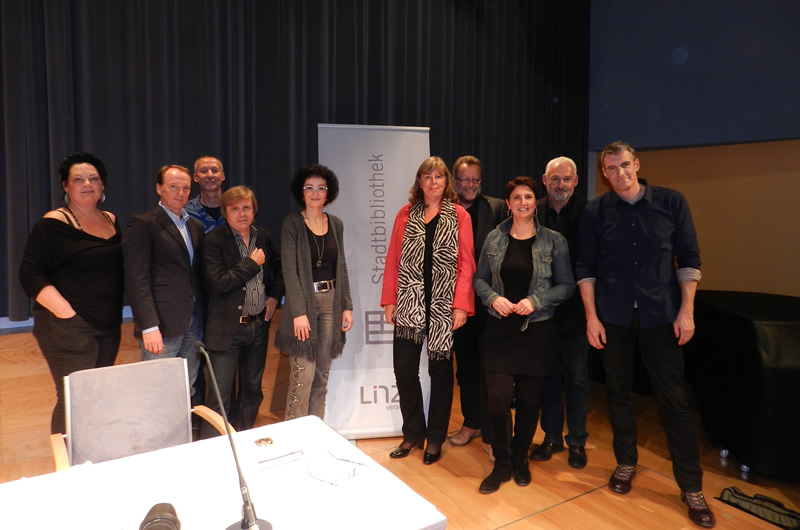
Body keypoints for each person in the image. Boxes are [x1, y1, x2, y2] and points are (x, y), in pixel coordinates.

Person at [576, 141, 715, 528]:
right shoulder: (595, 212)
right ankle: (625, 462)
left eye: (624, 165)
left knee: (674, 401)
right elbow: (585, 266)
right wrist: (591, 318)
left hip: (661, 316)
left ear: (637, 164)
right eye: (611, 168)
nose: (619, 173)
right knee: (617, 393)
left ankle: (691, 487)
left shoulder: (671, 202)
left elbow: (689, 259)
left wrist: (687, 311)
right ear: (604, 174)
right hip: (614, 317)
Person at [474, 176, 574, 493]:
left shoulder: (554, 241)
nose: (523, 203)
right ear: (508, 203)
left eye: (528, 197)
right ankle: (502, 463)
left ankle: (520, 459)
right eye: (516, 197)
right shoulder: (494, 238)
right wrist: (493, 298)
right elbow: (479, 280)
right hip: (499, 330)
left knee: (530, 400)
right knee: (498, 398)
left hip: (537, 331)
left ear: (535, 202)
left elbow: (567, 286)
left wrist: (537, 301)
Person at [19, 153, 124, 434]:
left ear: (103, 185)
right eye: (78, 179)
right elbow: (30, 274)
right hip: (68, 328)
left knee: (95, 397)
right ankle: (66, 458)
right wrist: (66, 312)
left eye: (93, 178)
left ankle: (90, 452)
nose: (87, 184)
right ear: (65, 186)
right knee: (73, 399)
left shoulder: (111, 219)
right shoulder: (53, 224)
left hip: (108, 326)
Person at [381, 156, 475, 465]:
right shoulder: (405, 214)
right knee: (404, 370)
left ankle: (435, 437)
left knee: (441, 374)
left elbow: (466, 265)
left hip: (444, 307)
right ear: (419, 182)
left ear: (446, 182)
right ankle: (412, 433)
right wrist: (390, 299)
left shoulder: (459, 215)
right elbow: (393, 259)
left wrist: (461, 305)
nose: (434, 182)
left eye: (439, 176)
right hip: (409, 302)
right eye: (428, 176)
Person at [201, 186, 283, 436]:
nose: (242, 213)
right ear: (225, 213)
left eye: (246, 207)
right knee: (219, 397)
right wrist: (251, 264)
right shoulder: (214, 241)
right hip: (226, 329)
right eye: (234, 208)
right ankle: (215, 448)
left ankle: (245, 440)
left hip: (257, 327)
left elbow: (280, 269)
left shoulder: (263, 237)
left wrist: (274, 295)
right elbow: (219, 283)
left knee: (252, 391)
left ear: (254, 210)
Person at [274, 164, 353, 420]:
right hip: (303, 305)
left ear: (328, 193)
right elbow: (289, 271)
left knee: (321, 375)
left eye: (321, 188)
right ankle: (294, 434)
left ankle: (316, 432)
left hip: (331, 302)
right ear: (302, 192)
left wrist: (347, 305)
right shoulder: (292, 224)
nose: (315, 193)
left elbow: (341, 266)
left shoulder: (336, 224)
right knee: (303, 377)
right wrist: (298, 312)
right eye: (310, 187)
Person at [123, 165, 205, 393]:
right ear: (159, 188)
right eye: (173, 187)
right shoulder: (144, 223)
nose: (180, 193)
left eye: (185, 188)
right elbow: (136, 278)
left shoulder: (194, 226)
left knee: (185, 387)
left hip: (193, 321)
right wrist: (149, 326)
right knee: (156, 390)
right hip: (161, 325)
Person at [530, 156, 590, 469]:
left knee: (577, 378)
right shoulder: (532, 210)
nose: (561, 184)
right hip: (542, 310)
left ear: (576, 181)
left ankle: (577, 440)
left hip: (578, 309)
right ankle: (552, 436)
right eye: (555, 178)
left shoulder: (590, 213)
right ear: (545, 180)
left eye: (567, 179)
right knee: (548, 376)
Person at [449, 156, 506, 460]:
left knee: (491, 369)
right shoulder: (445, 210)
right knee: (466, 367)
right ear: (454, 181)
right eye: (464, 179)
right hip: (457, 303)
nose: (470, 185)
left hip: (490, 303)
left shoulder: (497, 208)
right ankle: (471, 422)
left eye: (475, 180)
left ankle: (493, 431)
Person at [185, 156, 227, 233]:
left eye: (215, 170)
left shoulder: (235, 209)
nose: (210, 175)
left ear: (223, 176)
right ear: (195, 177)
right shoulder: (185, 212)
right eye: (203, 171)